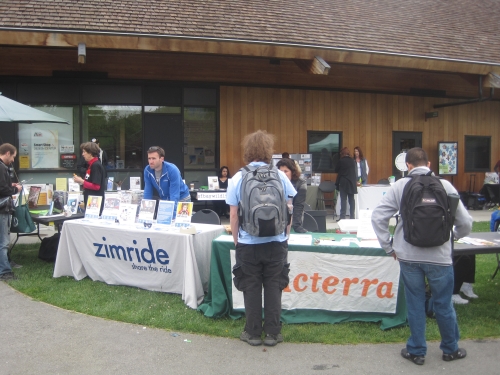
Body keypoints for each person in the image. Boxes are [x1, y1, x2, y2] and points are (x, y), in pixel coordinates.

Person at [371, 147, 472, 366]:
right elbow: (466, 223)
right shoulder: (445, 186)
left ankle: (416, 351)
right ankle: (450, 349)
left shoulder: (399, 186)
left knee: (415, 303)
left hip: (408, 255)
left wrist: (388, 247)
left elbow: (378, 217)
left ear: (407, 166)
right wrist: (452, 236)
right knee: (444, 304)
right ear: (429, 165)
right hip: (440, 256)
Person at [226, 130, 296, 347]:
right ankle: (273, 333)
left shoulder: (238, 177)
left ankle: (253, 333)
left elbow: (234, 215)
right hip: (276, 242)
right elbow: (289, 209)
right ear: (268, 151)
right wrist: (285, 236)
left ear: (247, 151)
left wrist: (237, 240)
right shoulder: (280, 175)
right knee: (274, 286)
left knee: (251, 286)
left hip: (249, 243)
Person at [143, 146, 190, 218]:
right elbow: (147, 191)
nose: (151, 161)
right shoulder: (147, 170)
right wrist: (145, 212)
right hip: (165, 199)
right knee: (164, 225)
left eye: (154, 158)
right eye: (149, 158)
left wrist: (173, 216)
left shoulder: (172, 170)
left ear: (161, 159)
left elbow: (174, 195)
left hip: (182, 198)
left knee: (180, 224)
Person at [0, 143, 22, 281]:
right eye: (13, 156)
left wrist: (10, 184)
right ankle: (5, 271)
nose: (13, 160)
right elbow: (2, 190)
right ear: (7, 153)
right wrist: (15, 190)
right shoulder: (2, 167)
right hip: (2, 208)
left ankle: (6, 263)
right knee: (3, 241)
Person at [73, 142, 107, 215]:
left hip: (95, 202)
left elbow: (96, 186)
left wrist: (82, 181)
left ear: (90, 153)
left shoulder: (96, 165)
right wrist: (80, 181)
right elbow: (90, 181)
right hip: (91, 201)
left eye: (84, 152)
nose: (83, 154)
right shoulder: (91, 165)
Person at [276, 158, 308, 233]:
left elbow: (299, 206)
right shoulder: (275, 182)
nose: (283, 174)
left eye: (286, 171)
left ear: (292, 172)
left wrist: (296, 226)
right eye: (281, 171)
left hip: (292, 216)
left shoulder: (301, 183)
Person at [334, 147, 357, 219]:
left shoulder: (341, 161)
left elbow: (336, 170)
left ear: (342, 153)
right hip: (352, 182)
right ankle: (352, 216)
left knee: (343, 200)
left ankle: (342, 217)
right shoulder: (353, 161)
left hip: (343, 182)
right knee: (351, 200)